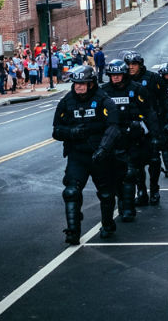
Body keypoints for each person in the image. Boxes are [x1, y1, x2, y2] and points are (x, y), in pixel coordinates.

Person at [51, 65, 121, 244]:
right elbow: (56, 131)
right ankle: (73, 231)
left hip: (100, 154)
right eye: (76, 84)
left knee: (106, 194)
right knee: (71, 192)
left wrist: (104, 149)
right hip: (78, 155)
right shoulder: (67, 102)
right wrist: (72, 132)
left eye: (83, 83)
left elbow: (113, 127)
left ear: (91, 84)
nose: (79, 87)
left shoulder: (104, 100)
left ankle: (107, 224)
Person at [101, 59, 160, 222]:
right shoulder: (103, 92)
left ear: (124, 74)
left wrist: (155, 136)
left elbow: (150, 113)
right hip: (113, 139)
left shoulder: (137, 89)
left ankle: (129, 208)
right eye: (112, 75)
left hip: (135, 138)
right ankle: (123, 204)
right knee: (114, 175)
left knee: (131, 172)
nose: (115, 78)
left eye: (118, 74)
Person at [124, 50, 167, 205]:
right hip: (133, 128)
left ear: (140, 64)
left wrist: (165, 123)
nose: (130, 67)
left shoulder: (152, 78)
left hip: (152, 124)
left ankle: (154, 190)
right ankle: (141, 191)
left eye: (134, 64)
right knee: (136, 163)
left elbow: (164, 100)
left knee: (154, 159)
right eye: (128, 64)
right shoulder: (124, 81)